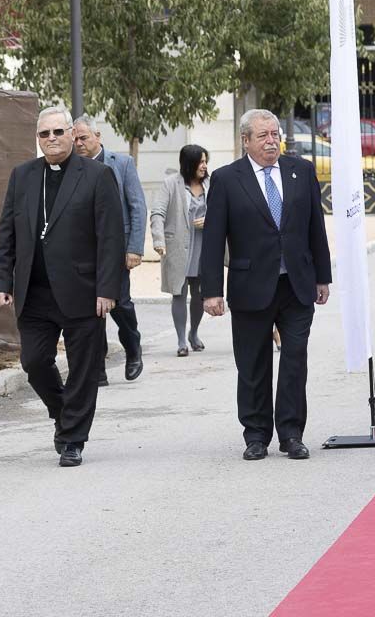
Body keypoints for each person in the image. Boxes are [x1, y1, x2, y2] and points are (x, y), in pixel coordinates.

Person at [0, 106, 124, 467]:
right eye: (44, 134)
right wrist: (2, 279)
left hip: (83, 289)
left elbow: (111, 237)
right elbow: (7, 232)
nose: (51, 139)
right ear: (38, 139)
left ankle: (72, 439)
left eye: (57, 132)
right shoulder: (23, 176)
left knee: (83, 368)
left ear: (71, 133)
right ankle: (64, 411)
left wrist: (107, 289)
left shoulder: (98, 176)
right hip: (34, 291)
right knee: (34, 361)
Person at [200, 109, 331, 462]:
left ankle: (291, 434)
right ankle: (256, 434)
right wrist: (211, 291)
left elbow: (314, 228)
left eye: (275, 134)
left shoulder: (301, 171)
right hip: (250, 286)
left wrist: (323, 276)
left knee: (294, 360)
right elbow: (213, 239)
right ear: (246, 141)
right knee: (253, 364)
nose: (272, 141)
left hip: (297, 285)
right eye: (263, 136)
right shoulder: (227, 179)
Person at [71, 114, 146, 384]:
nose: (79, 143)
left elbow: (137, 206)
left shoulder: (122, 164)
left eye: (84, 137)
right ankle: (98, 367)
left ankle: (133, 346)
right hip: (84, 251)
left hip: (117, 249)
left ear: (97, 136)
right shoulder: (72, 166)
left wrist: (134, 248)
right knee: (92, 310)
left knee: (120, 304)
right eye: (75, 138)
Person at [151, 145, 210, 357]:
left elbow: (223, 210)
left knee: (200, 294)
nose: (204, 166)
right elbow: (157, 212)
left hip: (203, 245)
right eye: (200, 162)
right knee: (179, 292)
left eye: (205, 161)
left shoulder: (211, 184)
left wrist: (210, 220)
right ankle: (181, 340)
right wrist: (159, 240)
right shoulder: (171, 184)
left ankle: (194, 333)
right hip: (176, 246)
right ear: (189, 163)